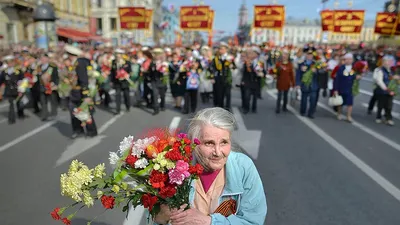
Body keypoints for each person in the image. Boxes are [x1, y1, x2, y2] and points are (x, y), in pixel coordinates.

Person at [153, 107, 267, 225]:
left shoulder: (243, 167)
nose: (217, 152)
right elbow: (156, 218)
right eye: (209, 143)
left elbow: (253, 221)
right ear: (195, 143)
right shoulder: (176, 169)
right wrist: (162, 217)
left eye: (224, 142)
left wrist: (209, 221)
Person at [65, 45, 98, 139]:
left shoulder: (79, 64)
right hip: (74, 92)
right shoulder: (76, 63)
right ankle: (78, 130)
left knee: (85, 112)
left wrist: (86, 94)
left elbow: (84, 79)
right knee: (74, 111)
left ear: (71, 55)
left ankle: (91, 131)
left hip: (80, 93)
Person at [333, 53, 361, 123]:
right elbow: (337, 79)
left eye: (350, 59)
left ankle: (349, 116)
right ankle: (339, 113)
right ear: (344, 60)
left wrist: (358, 77)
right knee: (340, 103)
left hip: (350, 88)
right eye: (347, 59)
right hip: (341, 88)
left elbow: (356, 76)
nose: (348, 61)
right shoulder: (341, 68)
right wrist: (336, 89)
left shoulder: (354, 68)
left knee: (350, 103)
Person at [373, 55, 399, 125]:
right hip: (382, 91)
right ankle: (378, 117)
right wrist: (387, 90)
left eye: (390, 61)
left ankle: (388, 118)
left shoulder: (392, 71)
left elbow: (395, 81)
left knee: (389, 106)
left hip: (390, 91)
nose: (388, 63)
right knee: (381, 105)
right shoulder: (379, 70)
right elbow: (379, 81)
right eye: (386, 61)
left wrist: (397, 79)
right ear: (383, 62)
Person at [0, 55, 24, 124]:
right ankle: (11, 119)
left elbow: (22, 78)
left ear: (14, 63)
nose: (10, 64)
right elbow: (1, 80)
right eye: (8, 63)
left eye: (11, 62)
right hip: (9, 90)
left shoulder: (18, 70)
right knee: (11, 105)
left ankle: (20, 114)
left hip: (17, 90)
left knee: (19, 103)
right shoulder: (4, 71)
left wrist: (21, 85)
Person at [296, 47, 319, 119]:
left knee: (313, 100)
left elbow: (320, 74)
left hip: (313, 85)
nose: (309, 56)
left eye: (311, 54)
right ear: (306, 55)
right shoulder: (302, 64)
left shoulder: (316, 64)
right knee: (304, 100)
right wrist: (298, 84)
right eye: (308, 54)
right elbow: (298, 74)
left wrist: (316, 72)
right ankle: (303, 111)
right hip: (305, 85)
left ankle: (311, 113)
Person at [111, 49, 131, 114]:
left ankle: (128, 106)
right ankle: (118, 109)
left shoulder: (127, 62)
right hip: (117, 82)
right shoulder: (113, 62)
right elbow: (112, 72)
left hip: (125, 81)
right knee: (118, 95)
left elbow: (130, 71)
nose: (117, 56)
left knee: (126, 95)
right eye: (116, 54)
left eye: (119, 54)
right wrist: (112, 81)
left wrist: (127, 75)